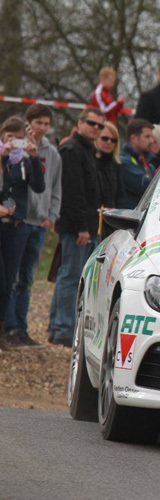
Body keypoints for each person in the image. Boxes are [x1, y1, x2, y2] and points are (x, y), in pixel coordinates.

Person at [5, 105, 61, 348]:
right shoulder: (14, 151)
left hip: (39, 222)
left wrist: (53, 214)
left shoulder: (52, 154)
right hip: (17, 220)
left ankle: (21, 327)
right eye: (38, 123)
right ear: (28, 123)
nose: (42, 128)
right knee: (10, 278)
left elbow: (54, 186)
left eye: (47, 124)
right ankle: (7, 327)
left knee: (27, 279)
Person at [48, 108, 104, 347]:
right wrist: (82, 227)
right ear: (80, 123)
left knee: (72, 276)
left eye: (100, 125)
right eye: (91, 123)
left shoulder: (88, 150)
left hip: (86, 225)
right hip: (75, 227)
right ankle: (62, 329)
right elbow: (73, 193)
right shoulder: (72, 150)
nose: (96, 128)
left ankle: (57, 327)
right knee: (70, 277)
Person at [0, 117, 45, 349]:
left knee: (9, 280)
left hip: (17, 224)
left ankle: (3, 330)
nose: (13, 143)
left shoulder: (24, 161)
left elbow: (39, 186)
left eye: (18, 139)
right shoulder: (3, 158)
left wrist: (34, 157)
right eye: (9, 138)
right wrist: (4, 154)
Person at [95, 122, 125, 239]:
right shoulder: (92, 161)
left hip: (111, 223)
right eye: (105, 138)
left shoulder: (115, 165)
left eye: (113, 140)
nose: (109, 142)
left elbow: (120, 195)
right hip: (95, 222)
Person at [120, 119, 155, 209]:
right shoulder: (123, 162)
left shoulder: (148, 163)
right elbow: (147, 185)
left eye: (152, 137)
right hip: (131, 219)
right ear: (134, 138)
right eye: (147, 137)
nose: (152, 141)